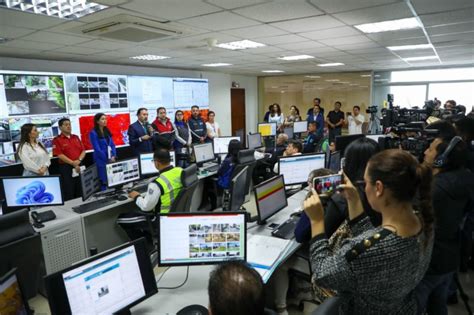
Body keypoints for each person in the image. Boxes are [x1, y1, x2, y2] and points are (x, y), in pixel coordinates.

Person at [304, 149, 434, 313]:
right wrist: (353, 200)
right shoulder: (423, 222)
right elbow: (375, 242)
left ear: (378, 188)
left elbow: (322, 274)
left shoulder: (367, 251)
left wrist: (317, 221)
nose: (363, 188)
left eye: (365, 183)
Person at [416, 135, 474, 314]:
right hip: (450, 257)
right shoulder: (466, 178)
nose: (425, 152)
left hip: (427, 262)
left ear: (442, 159)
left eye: (431, 149)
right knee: (439, 306)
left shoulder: (434, 190)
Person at [117, 148, 183, 241]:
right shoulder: (180, 171)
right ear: (170, 159)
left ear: (157, 163)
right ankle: (150, 241)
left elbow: (145, 207)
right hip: (177, 215)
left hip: (161, 220)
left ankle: (146, 246)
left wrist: (136, 196)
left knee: (121, 219)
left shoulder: (157, 184)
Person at [52, 118, 86, 200]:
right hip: (66, 168)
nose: (68, 126)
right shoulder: (57, 140)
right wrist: (73, 163)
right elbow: (59, 155)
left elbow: (83, 151)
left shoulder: (76, 137)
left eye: (69, 124)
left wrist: (79, 160)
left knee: (81, 188)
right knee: (69, 190)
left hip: (79, 165)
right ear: (60, 127)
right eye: (66, 125)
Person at [89, 113, 117, 189]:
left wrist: (113, 156)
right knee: (103, 180)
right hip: (101, 160)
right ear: (97, 121)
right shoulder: (93, 133)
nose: (105, 121)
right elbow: (97, 149)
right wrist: (107, 159)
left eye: (105, 119)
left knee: (111, 179)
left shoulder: (106, 131)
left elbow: (112, 145)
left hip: (111, 159)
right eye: (102, 119)